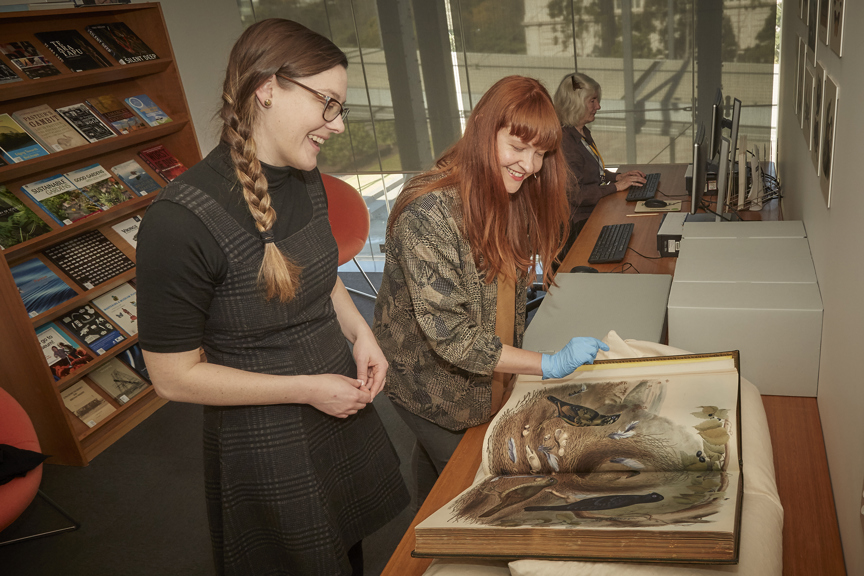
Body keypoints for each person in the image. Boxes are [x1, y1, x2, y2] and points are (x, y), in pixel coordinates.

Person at [135, 19, 408, 576]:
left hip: (334, 400)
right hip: (267, 437)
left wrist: (362, 333)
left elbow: (320, 272)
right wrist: (307, 389)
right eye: (327, 103)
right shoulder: (178, 222)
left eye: (340, 107)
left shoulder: (304, 177)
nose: (334, 124)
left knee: (347, 548)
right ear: (267, 88)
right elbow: (172, 377)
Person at [373, 75, 609, 507]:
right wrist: (547, 364)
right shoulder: (427, 214)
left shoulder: (511, 191)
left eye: (539, 153)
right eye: (518, 147)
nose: (530, 164)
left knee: (441, 483)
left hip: (487, 377)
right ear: (483, 125)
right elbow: (453, 337)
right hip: (432, 388)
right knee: (478, 488)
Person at [553, 72, 647, 254]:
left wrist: (617, 177)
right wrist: (616, 187)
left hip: (592, 214)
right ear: (576, 103)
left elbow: (590, 172)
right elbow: (577, 195)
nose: (598, 106)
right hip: (577, 227)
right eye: (592, 101)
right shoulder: (565, 142)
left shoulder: (581, 132)